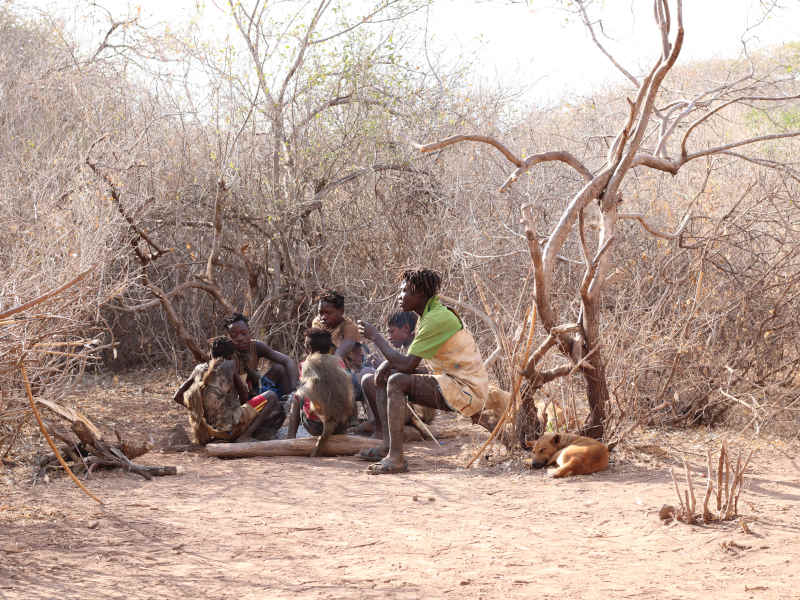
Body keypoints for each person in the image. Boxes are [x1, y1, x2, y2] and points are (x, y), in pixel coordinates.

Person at [357, 269, 493, 474]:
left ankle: (396, 458)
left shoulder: (434, 318)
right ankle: (388, 446)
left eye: (404, 291)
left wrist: (376, 337)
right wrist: (387, 364)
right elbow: (416, 361)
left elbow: (408, 365)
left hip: (465, 390)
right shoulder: (428, 316)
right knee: (386, 377)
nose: (399, 296)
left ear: (420, 293)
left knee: (396, 381)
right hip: (453, 383)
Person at [172, 336, 284, 443]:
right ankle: (245, 436)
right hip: (229, 430)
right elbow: (244, 395)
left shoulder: (198, 369)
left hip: (208, 431)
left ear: (211, 353)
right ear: (231, 356)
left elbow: (177, 396)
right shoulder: (229, 366)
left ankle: (225, 433)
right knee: (271, 396)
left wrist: (197, 410)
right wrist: (249, 414)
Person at [286, 328, 350, 438]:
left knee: (296, 396)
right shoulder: (339, 362)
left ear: (308, 348)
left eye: (305, 344)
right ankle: (344, 432)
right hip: (340, 425)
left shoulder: (306, 365)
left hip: (317, 426)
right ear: (330, 348)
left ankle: (290, 436)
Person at [225, 313, 299, 401]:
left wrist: (294, 389)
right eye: (234, 336)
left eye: (244, 333)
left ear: (250, 333)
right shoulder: (226, 354)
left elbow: (288, 361)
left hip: (257, 390)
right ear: (228, 337)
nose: (240, 338)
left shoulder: (256, 346)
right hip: (240, 399)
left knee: (279, 369)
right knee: (270, 396)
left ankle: (289, 402)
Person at [310, 289, 361, 359]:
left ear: (341, 312)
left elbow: (339, 356)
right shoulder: (317, 322)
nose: (323, 317)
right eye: (320, 313)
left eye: (328, 313)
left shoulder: (349, 327)